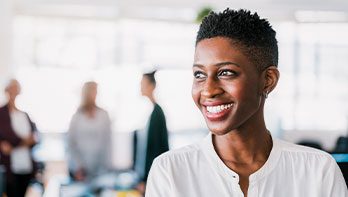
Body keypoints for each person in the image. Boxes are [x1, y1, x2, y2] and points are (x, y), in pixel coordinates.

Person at [145, 9, 348, 196]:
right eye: (199, 74)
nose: (208, 89)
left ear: (268, 80)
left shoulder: (318, 171)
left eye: (226, 72)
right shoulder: (170, 171)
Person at [0, 79, 38, 197]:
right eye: (12, 87)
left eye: (16, 88)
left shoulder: (24, 115)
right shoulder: (1, 113)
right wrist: (24, 142)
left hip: (26, 165)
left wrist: (15, 145)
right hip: (10, 167)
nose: (14, 91)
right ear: (6, 90)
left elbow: (35, 137)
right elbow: (6, 141)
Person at [67, 81, 112, 181]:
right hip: (81, 170)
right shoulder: (76, 117)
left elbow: (107, 142)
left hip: (101, 169)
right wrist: (78, 166)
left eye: (96, 91)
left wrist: (107, 167)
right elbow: (71, 143)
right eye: (93, 91)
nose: (95, 94)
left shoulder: (104, 115)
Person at [133, 71, 169, 194]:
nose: (140, 87)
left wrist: (148, 178)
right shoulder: (146, 111)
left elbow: (160, 148)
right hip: (142, 175)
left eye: (143, 83)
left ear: (152, 86)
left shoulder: (158, 113)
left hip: (151, 176)